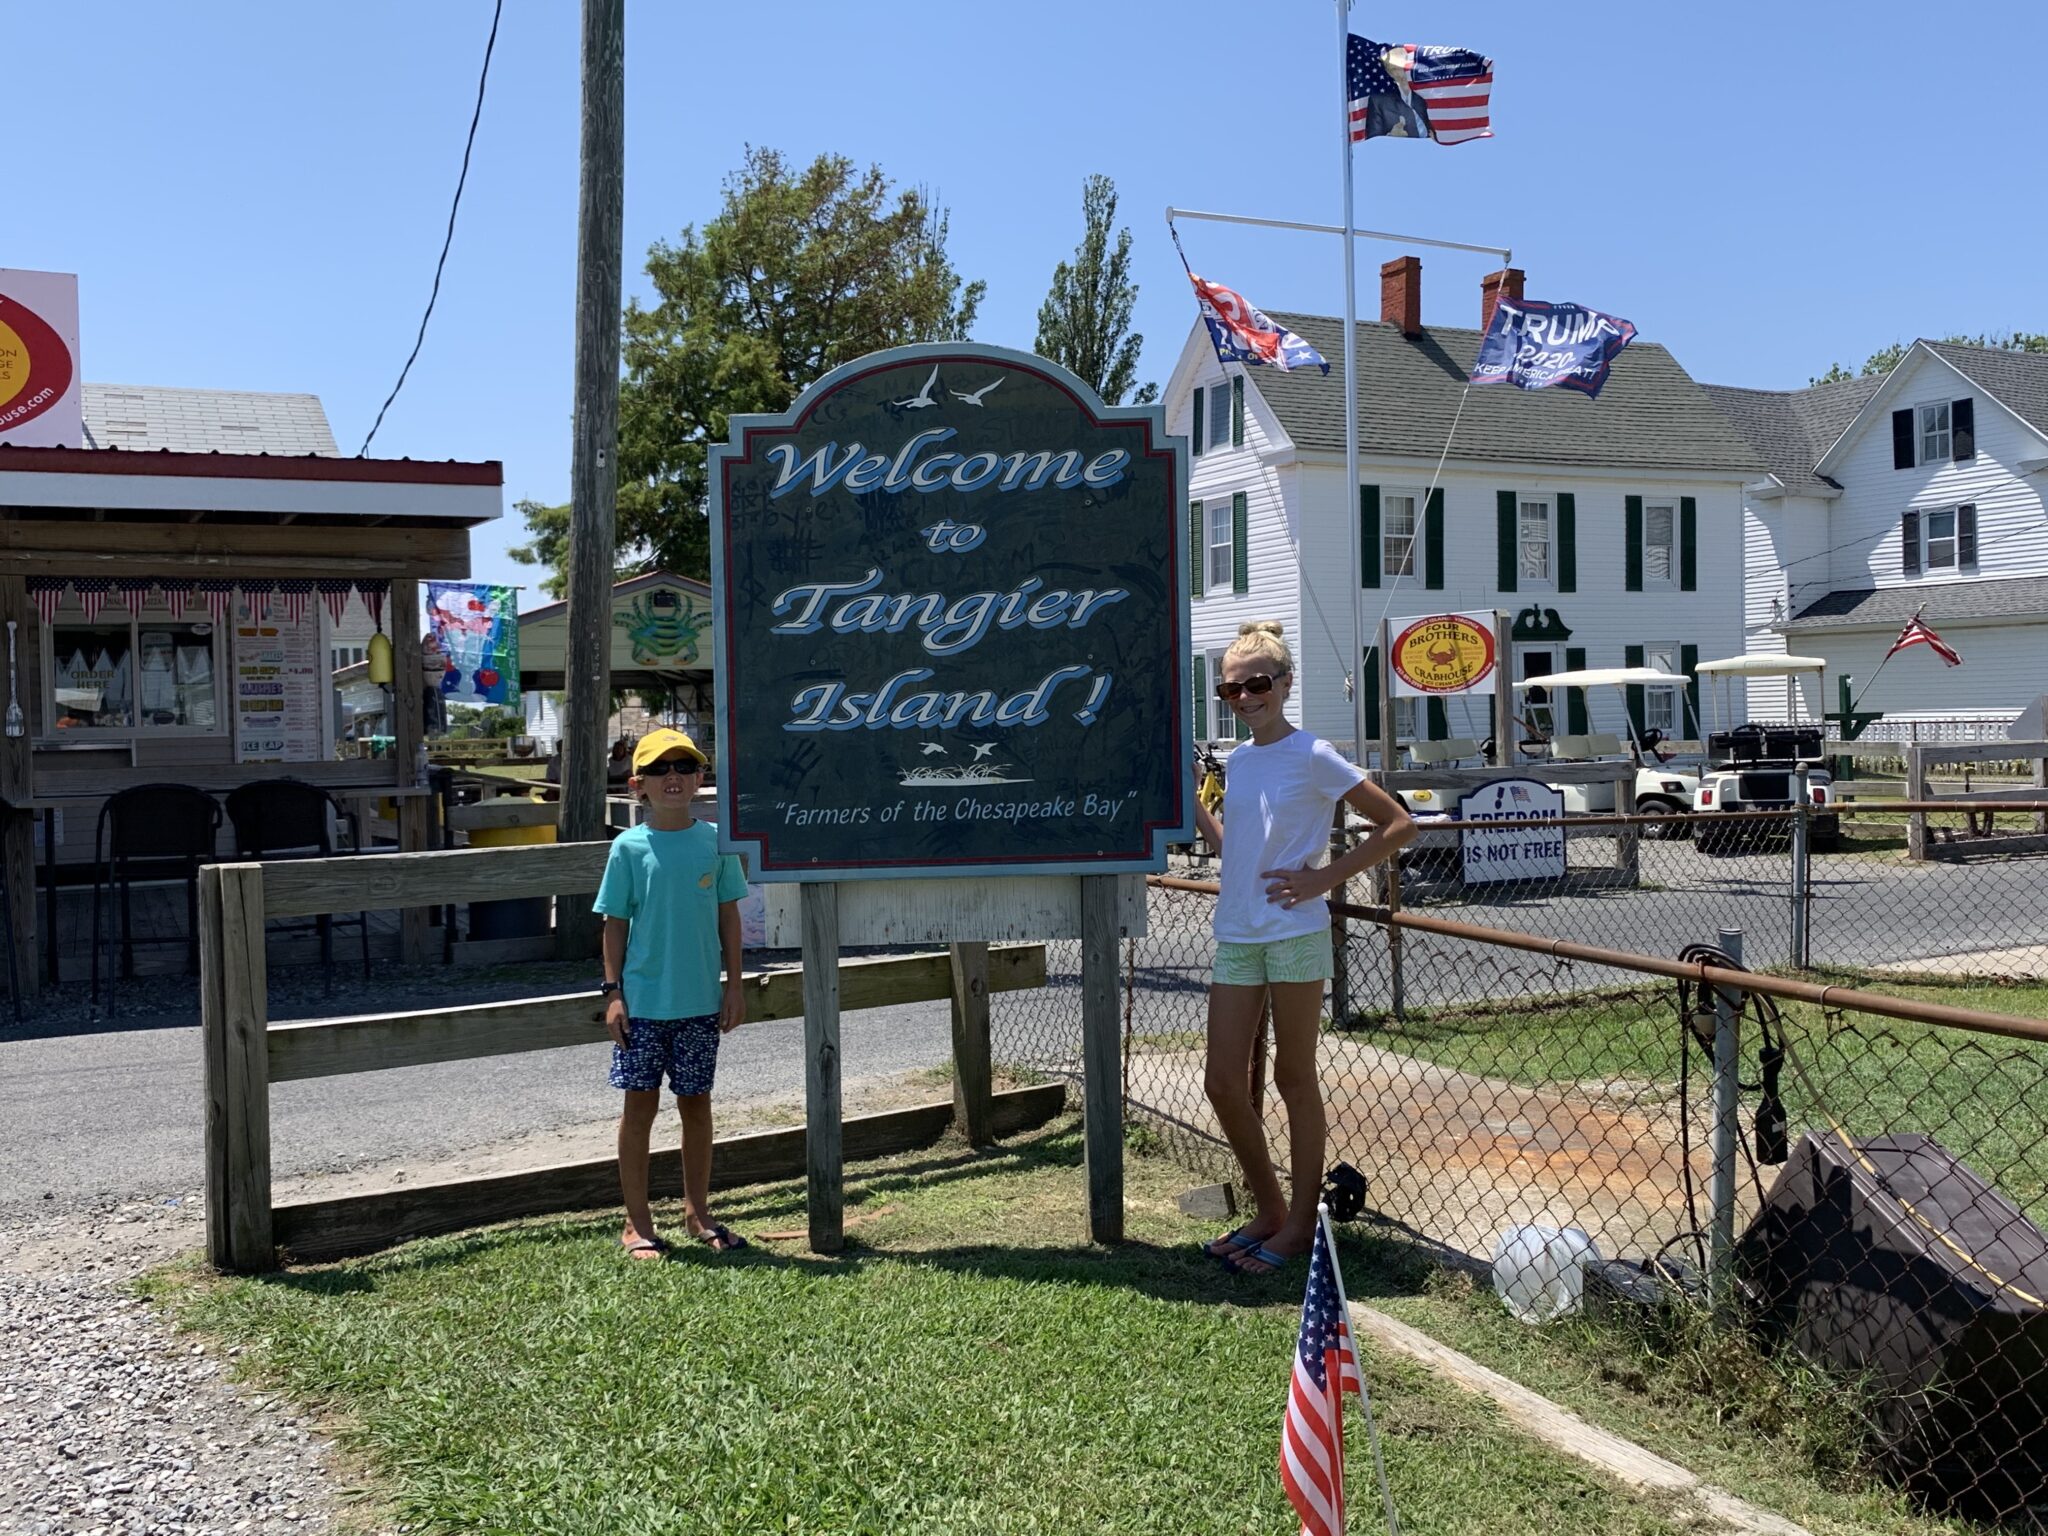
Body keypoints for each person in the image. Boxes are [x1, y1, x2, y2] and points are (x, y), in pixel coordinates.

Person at [1193, 621, 1416, 1276]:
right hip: (1238, 930)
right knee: (1222, 1081)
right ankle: (1268, 1210)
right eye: (1231, 688)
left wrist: (1324, 877)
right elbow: (1233, 849)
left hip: (1294, 931)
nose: (1243, 697)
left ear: (1284, 684)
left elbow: (1398, 823)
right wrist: (1190, 796)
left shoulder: (1314, 753)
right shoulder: (1239, 759)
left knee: (1293, 1076)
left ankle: (1298, 1227)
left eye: (1256, 684)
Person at [594, 727, 750, 1259]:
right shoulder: (628, 847)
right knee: (639, 1110)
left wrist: (735, 984)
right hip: (642, 1008)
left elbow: (729, 916)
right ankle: (637, 1223)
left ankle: (696, 1213)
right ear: (638, 785)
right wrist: (613, 992)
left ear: (700, 778)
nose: (673, 777)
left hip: (701, 1004)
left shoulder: (716, 842)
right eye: (659, 770)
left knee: (697, 1107)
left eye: (684, 767)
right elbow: (614, 924)